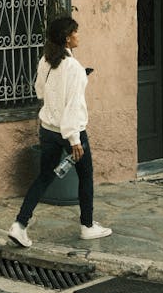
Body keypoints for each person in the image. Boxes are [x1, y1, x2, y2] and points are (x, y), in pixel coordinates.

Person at [8, 15, 112, 246]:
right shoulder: (73, 67)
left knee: (44, 177)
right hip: (70, 132)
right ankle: (87, 226)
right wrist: (75, 140)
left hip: (48, 129)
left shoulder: (46, 61)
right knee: (85, 177)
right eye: (76, 32)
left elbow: (41, 92)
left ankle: (19, 225)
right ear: (67, 38)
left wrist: (64, 87)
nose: (78, 35)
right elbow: (73, 106)